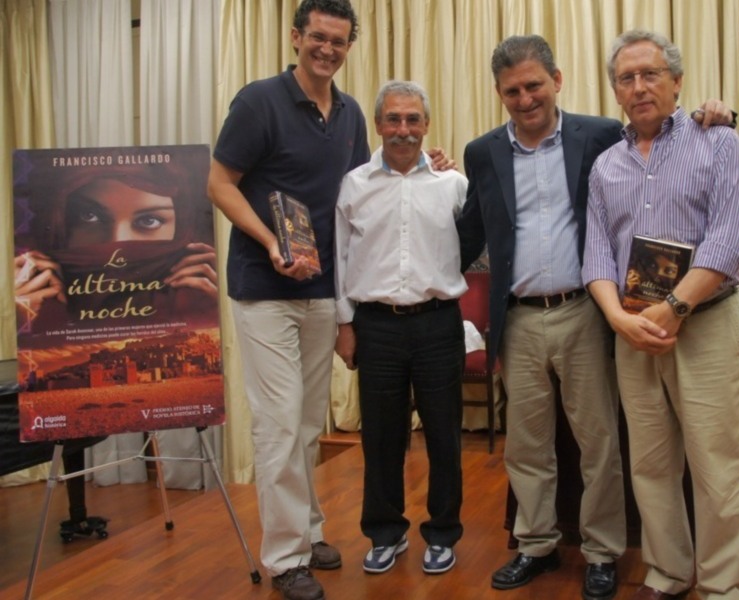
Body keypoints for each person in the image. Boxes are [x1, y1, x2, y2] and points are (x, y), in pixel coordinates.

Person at [456, 34, 735, 600]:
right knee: (527, 444)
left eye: (535, 84)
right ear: (499, 94)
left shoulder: (602, 136)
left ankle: (604, 552)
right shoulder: (483, 152)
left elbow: (673, 133)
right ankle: (535, 543)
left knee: (600, 441)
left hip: (588, 311)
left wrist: (722, 112)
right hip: (526, 315)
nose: (526, 98)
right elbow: (469, 232)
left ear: (557, 81)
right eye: (513, 90)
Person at [206, 2, 451, 599]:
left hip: (322, 291)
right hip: (265, 291)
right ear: (297, 38)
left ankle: (309, 528)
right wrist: (268, 242)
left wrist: (428, 163)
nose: (327, 49)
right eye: (318, 37)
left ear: (348, 46)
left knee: (307, 421)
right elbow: (218, 183)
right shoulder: (258, 101)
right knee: (279, 424)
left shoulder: (346, 116)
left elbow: (362, 193)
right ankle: (286, 556)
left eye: (339, 41)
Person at [582, 29, 739, 600]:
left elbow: (727, 242)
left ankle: (725, 587)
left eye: (650, 73)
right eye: (626, 79)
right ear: (615, 91)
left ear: (677, 81)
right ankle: (669, 573)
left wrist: (677, 306)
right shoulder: (606, 165)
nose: (638, 87)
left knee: (718, 467)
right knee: (651, 465)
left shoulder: (718, 142)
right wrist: (619, 320)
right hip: (635, 333)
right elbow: (597, 255)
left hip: (705, 324)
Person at [334, 80, 467, 576]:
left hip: (438, 325)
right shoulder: (354, 186)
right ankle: (385, 532)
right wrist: (344, 325)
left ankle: (443, 532)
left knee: (444, 436)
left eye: (413, 119)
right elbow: (340, 261)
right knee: (382, 438)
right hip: (377, 327)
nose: (403, 129)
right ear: (378, 124)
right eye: (394, 119)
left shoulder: (454, 184)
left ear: (427, 124)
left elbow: (476, 243)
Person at [14, 148, 217, 337]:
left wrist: (215, 307)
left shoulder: (201, 294)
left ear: (182, 227)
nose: (117, 242)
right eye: (89, 216)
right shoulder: (29, 295)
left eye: (149, 221)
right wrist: (18, 317)